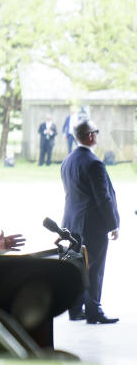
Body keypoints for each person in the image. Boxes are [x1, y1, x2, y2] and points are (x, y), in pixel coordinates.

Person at [61, 120, 120, 324]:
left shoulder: (67, 160)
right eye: (96, 131)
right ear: (90, 136)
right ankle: (94, 310)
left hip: (72, 222)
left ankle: (75, 309)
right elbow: (102, 198)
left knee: (77, 266)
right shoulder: (94, 163)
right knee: (94, 267)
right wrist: (113, 224)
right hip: (92, 224)